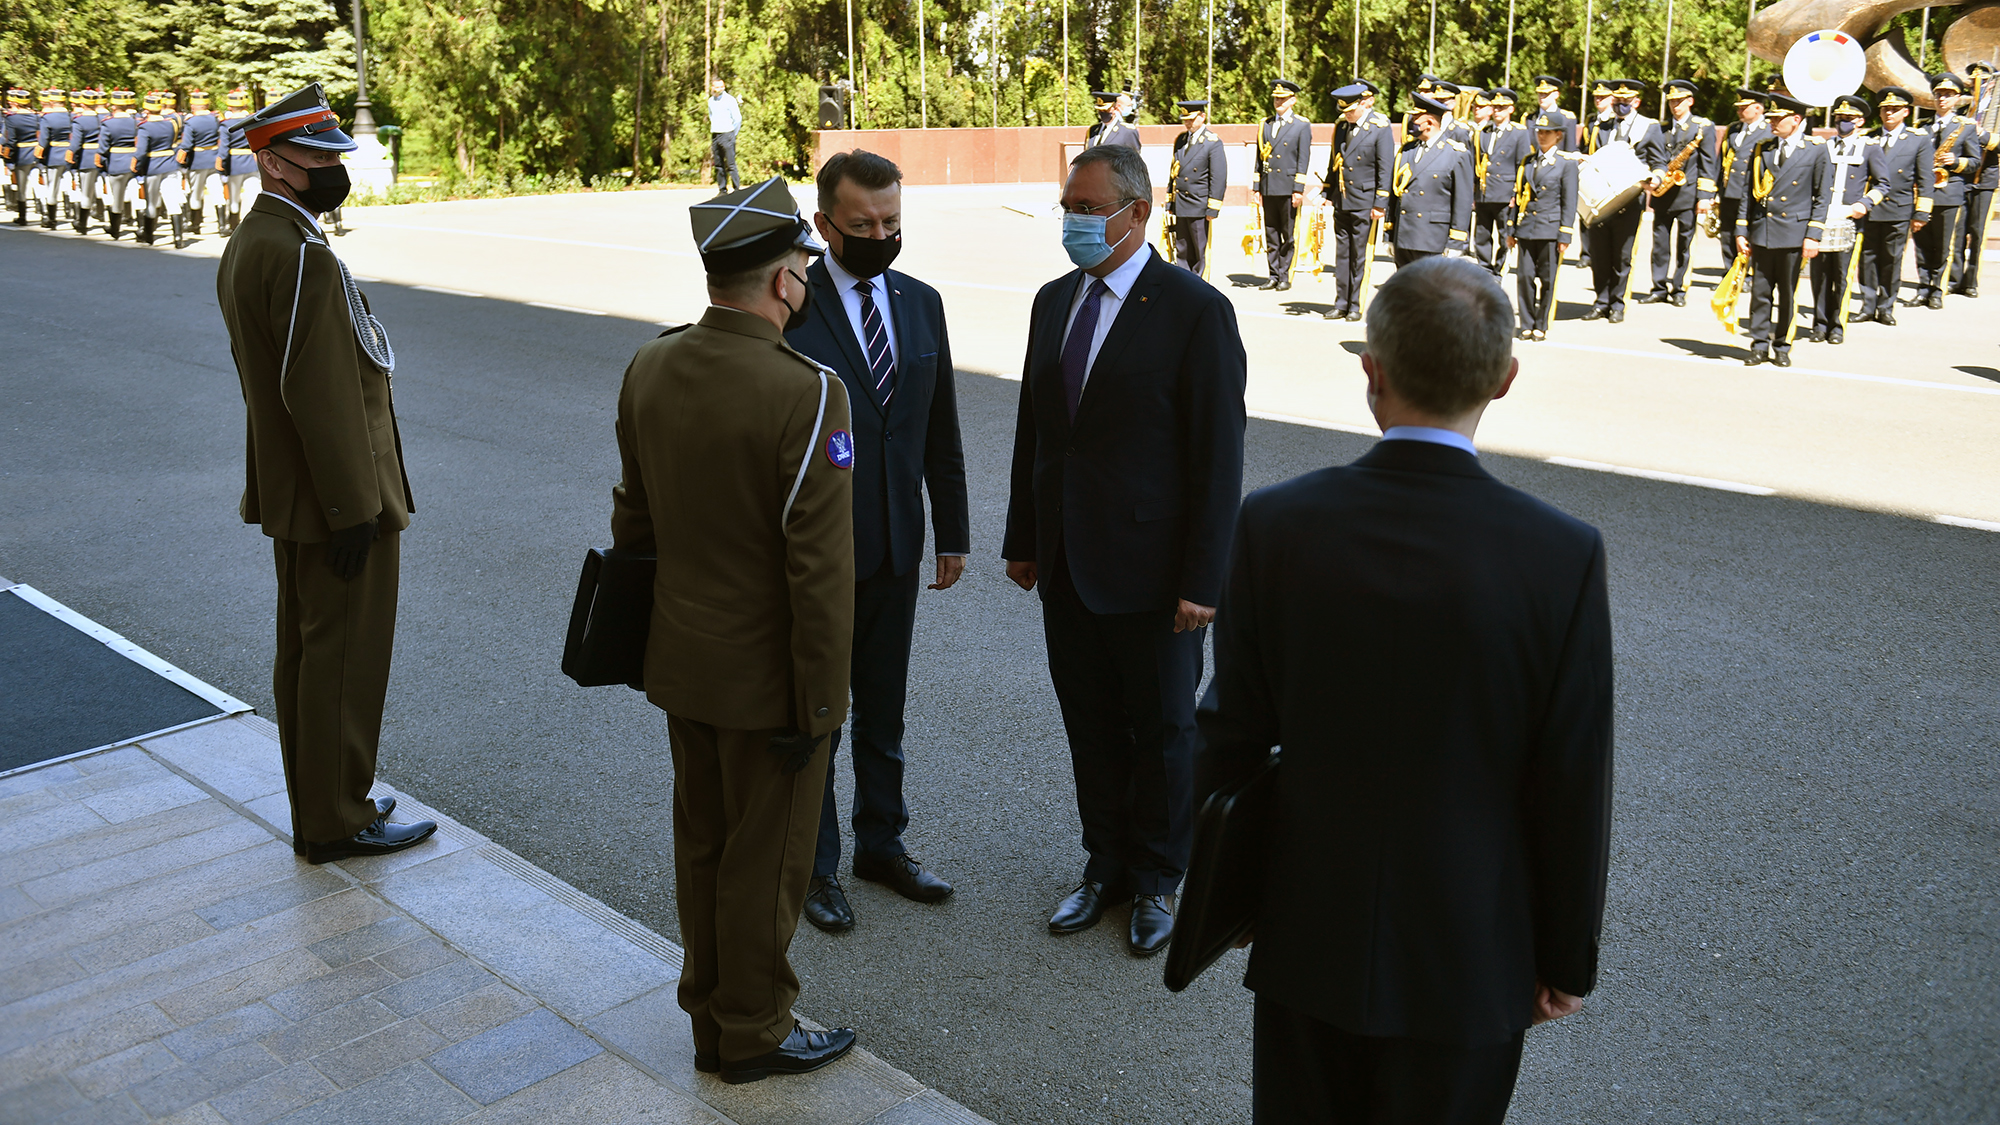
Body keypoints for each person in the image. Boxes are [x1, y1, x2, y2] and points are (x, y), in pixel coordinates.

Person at [1195, 255, 1612, 1125]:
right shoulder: (1560, 552)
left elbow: (1230, 730)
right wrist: (1566, 955)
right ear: (1504, 378)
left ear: (1372, 373)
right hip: (1473, 947)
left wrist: (1232, 894)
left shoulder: (1276, 521)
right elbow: (1571, 776)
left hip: (1310, 925)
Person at [611, 174, 859, 1082]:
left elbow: (634, 525)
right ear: (782, 279)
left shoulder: (652, 364)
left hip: (683, 662)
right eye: (803, 266)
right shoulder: (809, 391)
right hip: (770, 681)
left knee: (706, 846)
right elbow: (819, 572)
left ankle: (711, 1015)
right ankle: (753, 1028)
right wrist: (821, 701)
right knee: (767, 859)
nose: (807, 279)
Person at [1004, 143, 1247, 957]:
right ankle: (1104, 863)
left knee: (1165, 729)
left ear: (1138, 213)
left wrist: (1203, 578)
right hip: (1067, 561)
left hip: (1156, 572)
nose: (1073, 221)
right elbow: (1037, 430)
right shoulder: (1053, 300)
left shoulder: (1194, 309)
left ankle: (1157, 878)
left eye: (1089, 209)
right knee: (1091, 724)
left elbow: (1218, 456)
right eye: (1068, 207)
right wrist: (1024, 537)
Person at [214, 82, 437, 869]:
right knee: (344, 660)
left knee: (309, 657)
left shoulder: (255, 240)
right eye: (315, 156)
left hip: (298, 493)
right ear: (275, 163)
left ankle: (324, 806)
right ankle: (339, 819)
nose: (332, 168)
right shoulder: (302, 254)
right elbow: (319, 391)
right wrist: (353, 507)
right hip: (336, 499)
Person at [784, 150, 969, 933]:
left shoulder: (921, 303)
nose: (881, 235)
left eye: (891, 221)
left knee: (883, 712)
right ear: (824, 224)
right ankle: (815, 865)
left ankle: (881, 844)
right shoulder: (794, 303)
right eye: (862, 224)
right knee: (819, 714)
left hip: (897, 544)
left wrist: (952, 531)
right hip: (819, 554)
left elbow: (937, 426)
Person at [1734, 91, 1829, 368]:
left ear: (1796, 120)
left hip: (1793, 232)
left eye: (1778, 118)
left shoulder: (1815, 149)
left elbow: (1822, 196)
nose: (1772, 122)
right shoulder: (1763, 148)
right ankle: (1759, 345)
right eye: (1771, 117)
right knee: (1760, 293)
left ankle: (1782, 345)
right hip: (1764, 230)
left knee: (1787, 294)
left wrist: (1813, 235)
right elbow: (1748, 193)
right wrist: (1741, 229)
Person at [1581, 79, 1664, 323]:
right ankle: (1601, 301)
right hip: (1600, 197)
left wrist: (1656, 178)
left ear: (1636, 102)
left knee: (1622, 255)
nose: (1620, 106)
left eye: (1625, 101)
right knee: (1599, 254)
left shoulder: (1648, 127)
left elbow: (1659, 161)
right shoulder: (1600, 126)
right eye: (1617, 101)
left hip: (1630, 199)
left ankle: (1617, 303)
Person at [1805, 94, 1880, 344]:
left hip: (1850, 219)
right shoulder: (1824, 146)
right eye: (1839, 117)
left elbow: (1883, 184)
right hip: (1822, 217)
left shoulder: (1870, 148)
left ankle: (1837, 326)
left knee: (1842, 275)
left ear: (1860, 121)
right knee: (1819, 274)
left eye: (1848, 118)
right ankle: (1819, 324)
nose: (1842, 122)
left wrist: (1865, 203)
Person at [1855, 86, 1932, 325]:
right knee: (1867, 259)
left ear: (1905, 112)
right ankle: (1868, 305)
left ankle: (1885, 307)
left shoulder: (1918, 139)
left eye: (1895, 109)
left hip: (1898, 207)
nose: (1889, 113)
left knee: (1892, 259)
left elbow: (1925, 178)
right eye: (1886, 109)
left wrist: (1922, 211)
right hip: (1870, 208)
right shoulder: (1868, 138)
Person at [1638, 79, 1716, 306]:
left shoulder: (1702, 127)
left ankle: (1680, 289)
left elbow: (1708, 163)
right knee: (1659, 245)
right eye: (1672, 101)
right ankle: (1659, 287)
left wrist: (1704, 197)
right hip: (1663, 195)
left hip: (1688, 196)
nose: (1675, 106)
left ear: (1690, 101)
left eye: (1679, 101)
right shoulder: (1659, 128)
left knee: (1685, 245)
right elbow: (1650, 156)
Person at [1322, 80, 1395, 321]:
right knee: (1343, 254)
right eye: (1344, 111)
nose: (1347, 115)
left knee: (1360, 255)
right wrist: (1326, 191)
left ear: (1363, 104)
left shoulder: (1379, 127)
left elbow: (1385, 167)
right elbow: (1334, 161)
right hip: (1342, 199)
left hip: (1365, 200)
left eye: (1351, 110)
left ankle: (1355, 304)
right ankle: (1341, 302)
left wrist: (1380, 202)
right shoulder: (1342, 126)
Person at [1511, 109, 1583, 341]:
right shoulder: (1528, 162)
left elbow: (1569, 202)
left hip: (1550, 228)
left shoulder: (1566, 164)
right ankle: (1526, 323)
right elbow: (1518, 197)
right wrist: (1511, 229)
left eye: (1547, 132)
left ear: (1558, 136)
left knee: (1548, 279)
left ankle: (1541, 324)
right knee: (1524, 277)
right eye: (1539, 132)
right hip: (1527, 227)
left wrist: (1565, 233)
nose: (1542, 136)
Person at [1915, 72, 1981, 308]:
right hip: (1923, 194)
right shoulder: (1921, 127)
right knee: (1922, 245)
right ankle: (1923, 288)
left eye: (1948, 94)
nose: (1942, 98)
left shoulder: (1966, 127)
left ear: (1957, 98)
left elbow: (1975, 162)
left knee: (1945, 246)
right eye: (1939, 94)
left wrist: (1955, 161)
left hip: (1950, 193)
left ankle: (1938, 290)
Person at [1384, 92, 1474, 266]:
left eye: (1416, 119)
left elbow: (1462, 202)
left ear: (1430, 123)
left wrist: (1456, 241)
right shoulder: (1406, 151)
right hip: (1404, 236)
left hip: (1433, 239)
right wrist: (1389, 233)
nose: (1411, 123)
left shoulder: (1456, 154)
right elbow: (1395, 195)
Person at [1255, 78, 1314, 290]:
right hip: (1269, 185)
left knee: (1288, 235)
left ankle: (1285, 275)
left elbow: (1303, 159)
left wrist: (1298, 189)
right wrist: (1257, 187)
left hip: (1288, 187)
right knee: (1271, 232)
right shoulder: (1266, 124)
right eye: (1276, 99)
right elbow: (1259, 158)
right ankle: (1273, 274)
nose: (1278, 102)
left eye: (1283, 99)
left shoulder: (1301, 125)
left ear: (1293, 100)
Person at [1471, 88, 1532, 276]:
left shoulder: (1519, 133)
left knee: (1505, 234)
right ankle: (1483, 267)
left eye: (1502, 107)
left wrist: (1517, 194)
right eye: (1495, 107)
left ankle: (1499, 269)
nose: (1497, 110)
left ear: (1510, 109)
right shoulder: (1483, 132)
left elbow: (1522, 165)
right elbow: (1476, 161)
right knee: (1481, 234)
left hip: (1505, 193)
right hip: (1484, 191)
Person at [1166, 100, 1227, 277]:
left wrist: (1213, 207)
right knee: (1182, 249)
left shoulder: (1212, 142)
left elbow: (1218, 177)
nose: (1187, 123)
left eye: (1191, 119)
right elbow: (1174, 172)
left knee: (1199, 250)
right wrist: (1170, 201)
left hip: (1198, 204)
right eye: (1185, 119)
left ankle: (1200, 283)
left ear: (1202, 116)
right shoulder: (1181, 140)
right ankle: (1185, 281)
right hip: (1181, 203)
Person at [1955, 61, 1996, 296]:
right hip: (1963, 176)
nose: (1976, 85)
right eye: (1973, 82)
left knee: (1977, 232)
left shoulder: (1997, 110)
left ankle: (1970, 281)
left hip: (1986, 178)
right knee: (1958, 231)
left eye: (1982, 81)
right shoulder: (1963, 111)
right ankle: (1954, 278)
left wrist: (1983, 135)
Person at [132, 90, 182, 245]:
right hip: (170, 164)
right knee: (172, 200)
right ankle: (178, 238)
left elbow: (141, 151)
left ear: (146, 110)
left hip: (152, 167)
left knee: (152, 203)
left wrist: (136, 165)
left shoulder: (145, 127)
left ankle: (149, 236)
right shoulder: (171, 123)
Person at [94, 90, 140, 239]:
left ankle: (115, 229)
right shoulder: (136, 122)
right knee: (137, 197)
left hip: (116, 163)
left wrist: (101, 162)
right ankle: (142, 228)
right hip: (133, 162)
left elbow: (103, 147)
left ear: (113, 106)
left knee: (117, 198)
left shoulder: (108, 123)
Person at [176, 89, 222, 233]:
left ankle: (195, 225)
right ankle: (223, 225)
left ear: (193, 105)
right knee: (217, 191)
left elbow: (187, 144)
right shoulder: (215, 119)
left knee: (196, 193)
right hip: (213, 158)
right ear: (207, 104)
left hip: (198, 161)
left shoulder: (191, 122)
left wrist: (180, 158)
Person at [31, 89, 71, 230]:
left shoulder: (48, 118)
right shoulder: (72, 116)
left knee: (52, 188)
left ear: (52, 102)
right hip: (70, 155)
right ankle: (76, 217)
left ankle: (52, 219)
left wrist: (38, 158)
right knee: (72, 186)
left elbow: (43, 141)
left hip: (54, 156)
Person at [219, 87, 257, 234]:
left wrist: (221, 162)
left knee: (234, 196)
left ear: (229, 107)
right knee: (253, 195)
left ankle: (233, 225)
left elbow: (224, 148)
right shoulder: (251, 121)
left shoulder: (226, 124)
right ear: (245, 106)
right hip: (251, 161)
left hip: (235, 164)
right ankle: (255, 224)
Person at [3, 88, 37, 226]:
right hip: (36, 153)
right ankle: (46, 215)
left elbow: (11, 140)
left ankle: (22, 217)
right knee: (39, 185)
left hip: (22, 155)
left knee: (22, 188)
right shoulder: (36, 116)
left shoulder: (12, 118)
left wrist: (8, 156)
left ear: (16, 103)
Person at [708, 78, 742, 192]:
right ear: (712, 87)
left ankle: (736, 189)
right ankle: (722, 190)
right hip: (715, 135)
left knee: (731, 164)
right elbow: (711, 116)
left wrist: (733, 134)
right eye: (716, 87)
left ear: (724, 87)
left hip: (727, 134)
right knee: (718, 164)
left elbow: (737, 119)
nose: (718, 89)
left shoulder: (730, 100)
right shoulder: (711, 101)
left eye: (721, 87)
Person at [1533, 76, 1578, 150]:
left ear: (1556, 95)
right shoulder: (1529, 118)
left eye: (1546, 94)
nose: (1542, 97)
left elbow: (1570, 149)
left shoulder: (1567, 119)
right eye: (1540, 93)